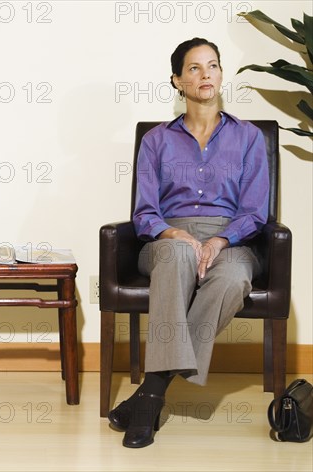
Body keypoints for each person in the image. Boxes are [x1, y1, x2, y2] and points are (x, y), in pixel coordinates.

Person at [108, 37, 270, 448]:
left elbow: (254, 212)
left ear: (220, 74)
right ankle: (152, 396)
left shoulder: (249, 138)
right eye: (194, 68)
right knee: (180, 252)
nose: (205, 74)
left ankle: (150, 393)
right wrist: (175, 233)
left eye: (212, 65)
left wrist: (218, 241)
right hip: (167, 237)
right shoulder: (156, 141)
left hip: (230, 237)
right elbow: (144, 213)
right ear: (177, 80)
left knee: (233, 280)